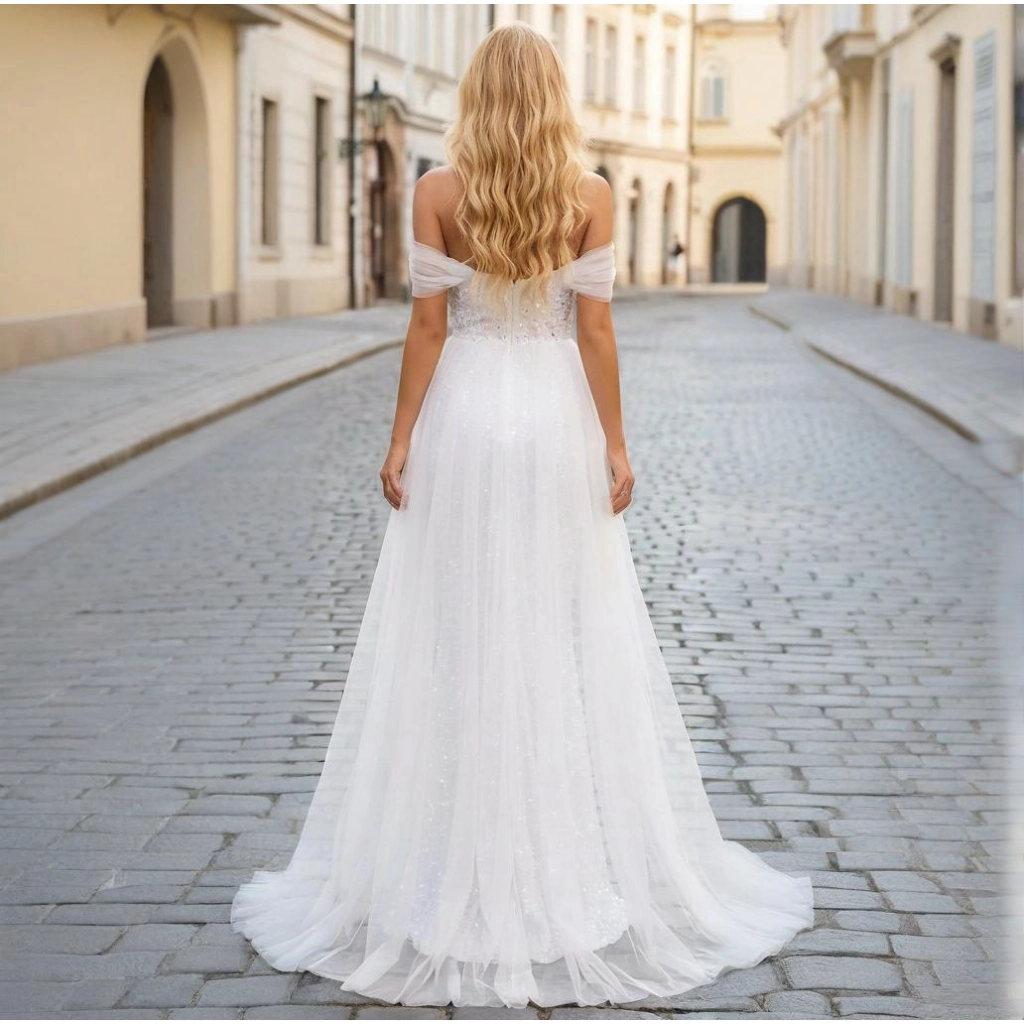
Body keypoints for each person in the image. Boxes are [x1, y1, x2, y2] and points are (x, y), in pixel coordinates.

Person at [230, 23, 813, 1010]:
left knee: (458, 635)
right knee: (557, 632)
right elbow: (594, 329)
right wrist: (615, 444)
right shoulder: (587, 195)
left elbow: (424, 324)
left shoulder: (435, 192)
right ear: (552, 94)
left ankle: (455, 855)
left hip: (464, 414)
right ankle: (551, 856)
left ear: (474, 95)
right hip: (549, 419)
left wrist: (402, 435)